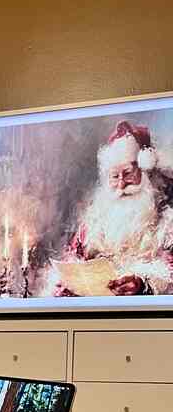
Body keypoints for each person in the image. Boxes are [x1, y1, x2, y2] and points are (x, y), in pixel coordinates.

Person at [52, 120, 173, 296]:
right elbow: (72, 258)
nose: (121, 184)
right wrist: (67, 282)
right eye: (115, 176)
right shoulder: (96, 216)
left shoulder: (167, 215)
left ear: (145, 172)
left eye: (128, 173)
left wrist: (142, 283)